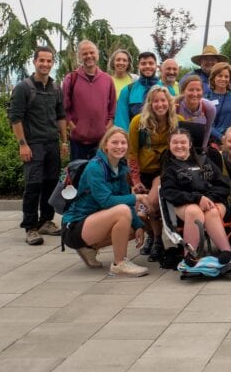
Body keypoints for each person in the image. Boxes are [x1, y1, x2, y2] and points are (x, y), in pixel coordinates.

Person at [61, 126, 149, 277]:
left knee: (135, 226)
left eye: (123, 143)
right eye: (114, 142)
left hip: (95, 221)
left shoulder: (121, 167)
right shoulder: (95, 167)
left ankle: (89, 249)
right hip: (75, 226)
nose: (119, 146)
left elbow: (124, 200)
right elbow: (107, 201)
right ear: (105, 145)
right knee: (122, 211)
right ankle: (119, 264)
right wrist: (137, 197)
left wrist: (139, 225)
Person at [10, 46, 68, 245]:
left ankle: (46, 221)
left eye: (49, 61)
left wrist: (64, 141)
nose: (45, 64)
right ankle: (30, 227)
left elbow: (61, 116)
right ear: (34, 62)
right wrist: (22, 145)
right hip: (33, 144)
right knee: (33, 185)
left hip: (52, 144)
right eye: (41, 60)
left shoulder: (56, 88)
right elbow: (15, 119)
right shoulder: (23, 88)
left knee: (51, 184)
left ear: (53, 63)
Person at [159, 128, 231, 266]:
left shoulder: (204, 160)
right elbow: (169, 192)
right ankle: (190, 254)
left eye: (183, 142)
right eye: (175, 142)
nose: (179, 146)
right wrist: (197, 198)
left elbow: (223, 185)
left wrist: (208, 199)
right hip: (185, 204)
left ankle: (226, 251)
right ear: (169, 145)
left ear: (189, 144)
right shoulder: (169, 167)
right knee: (194, 211)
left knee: (211, 212)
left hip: (213, 201)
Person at [128, 85, 184, 261]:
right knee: (140, 207)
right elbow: (132, 152)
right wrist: (135, 179)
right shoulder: (139, 122)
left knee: (151, 202)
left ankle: (158, 240)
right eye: (156, 101)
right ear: (150, 103)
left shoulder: (178, 121)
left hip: (165, 171)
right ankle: (152, 235)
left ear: (169, 102)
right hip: (143, 171)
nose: (160, 104)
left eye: (164, 100)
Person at [62, 40, 116, 162]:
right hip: (78, 141)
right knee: (79, 175)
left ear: (97, 54)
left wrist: (108, 125)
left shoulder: (107, 79)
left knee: (100, 176)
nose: (89, 56)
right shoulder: (71, 78)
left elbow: (112, 107)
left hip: (101, 140)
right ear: (79, 57)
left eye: (92, 52)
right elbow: (64, 107)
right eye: (84, 54)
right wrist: (72, 125)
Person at [115, 51, 161, 131]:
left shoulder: (167, 90)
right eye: (143, 63)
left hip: (162, 140)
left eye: (151, 63)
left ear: (156, 66)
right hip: (136, 139)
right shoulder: (127, 91)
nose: (147, 66)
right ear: (138, 66)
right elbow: (121, 122)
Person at [205, 62, 231, 143]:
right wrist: (221, 137)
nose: (223, 79)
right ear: (213, 77)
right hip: (214, 141)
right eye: (220, 76)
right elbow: (206, 124)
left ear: (230, 79)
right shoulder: (206, 98)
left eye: (226, 76)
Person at [175, 74, 216, 151]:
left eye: (198, 90)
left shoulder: (209, 108)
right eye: (191, 90)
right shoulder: (175, 107)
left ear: (203, 92)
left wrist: (203, 151)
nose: (195, 94)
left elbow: (207, 131)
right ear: (183, 91)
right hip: (178, 149)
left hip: (198, 149)